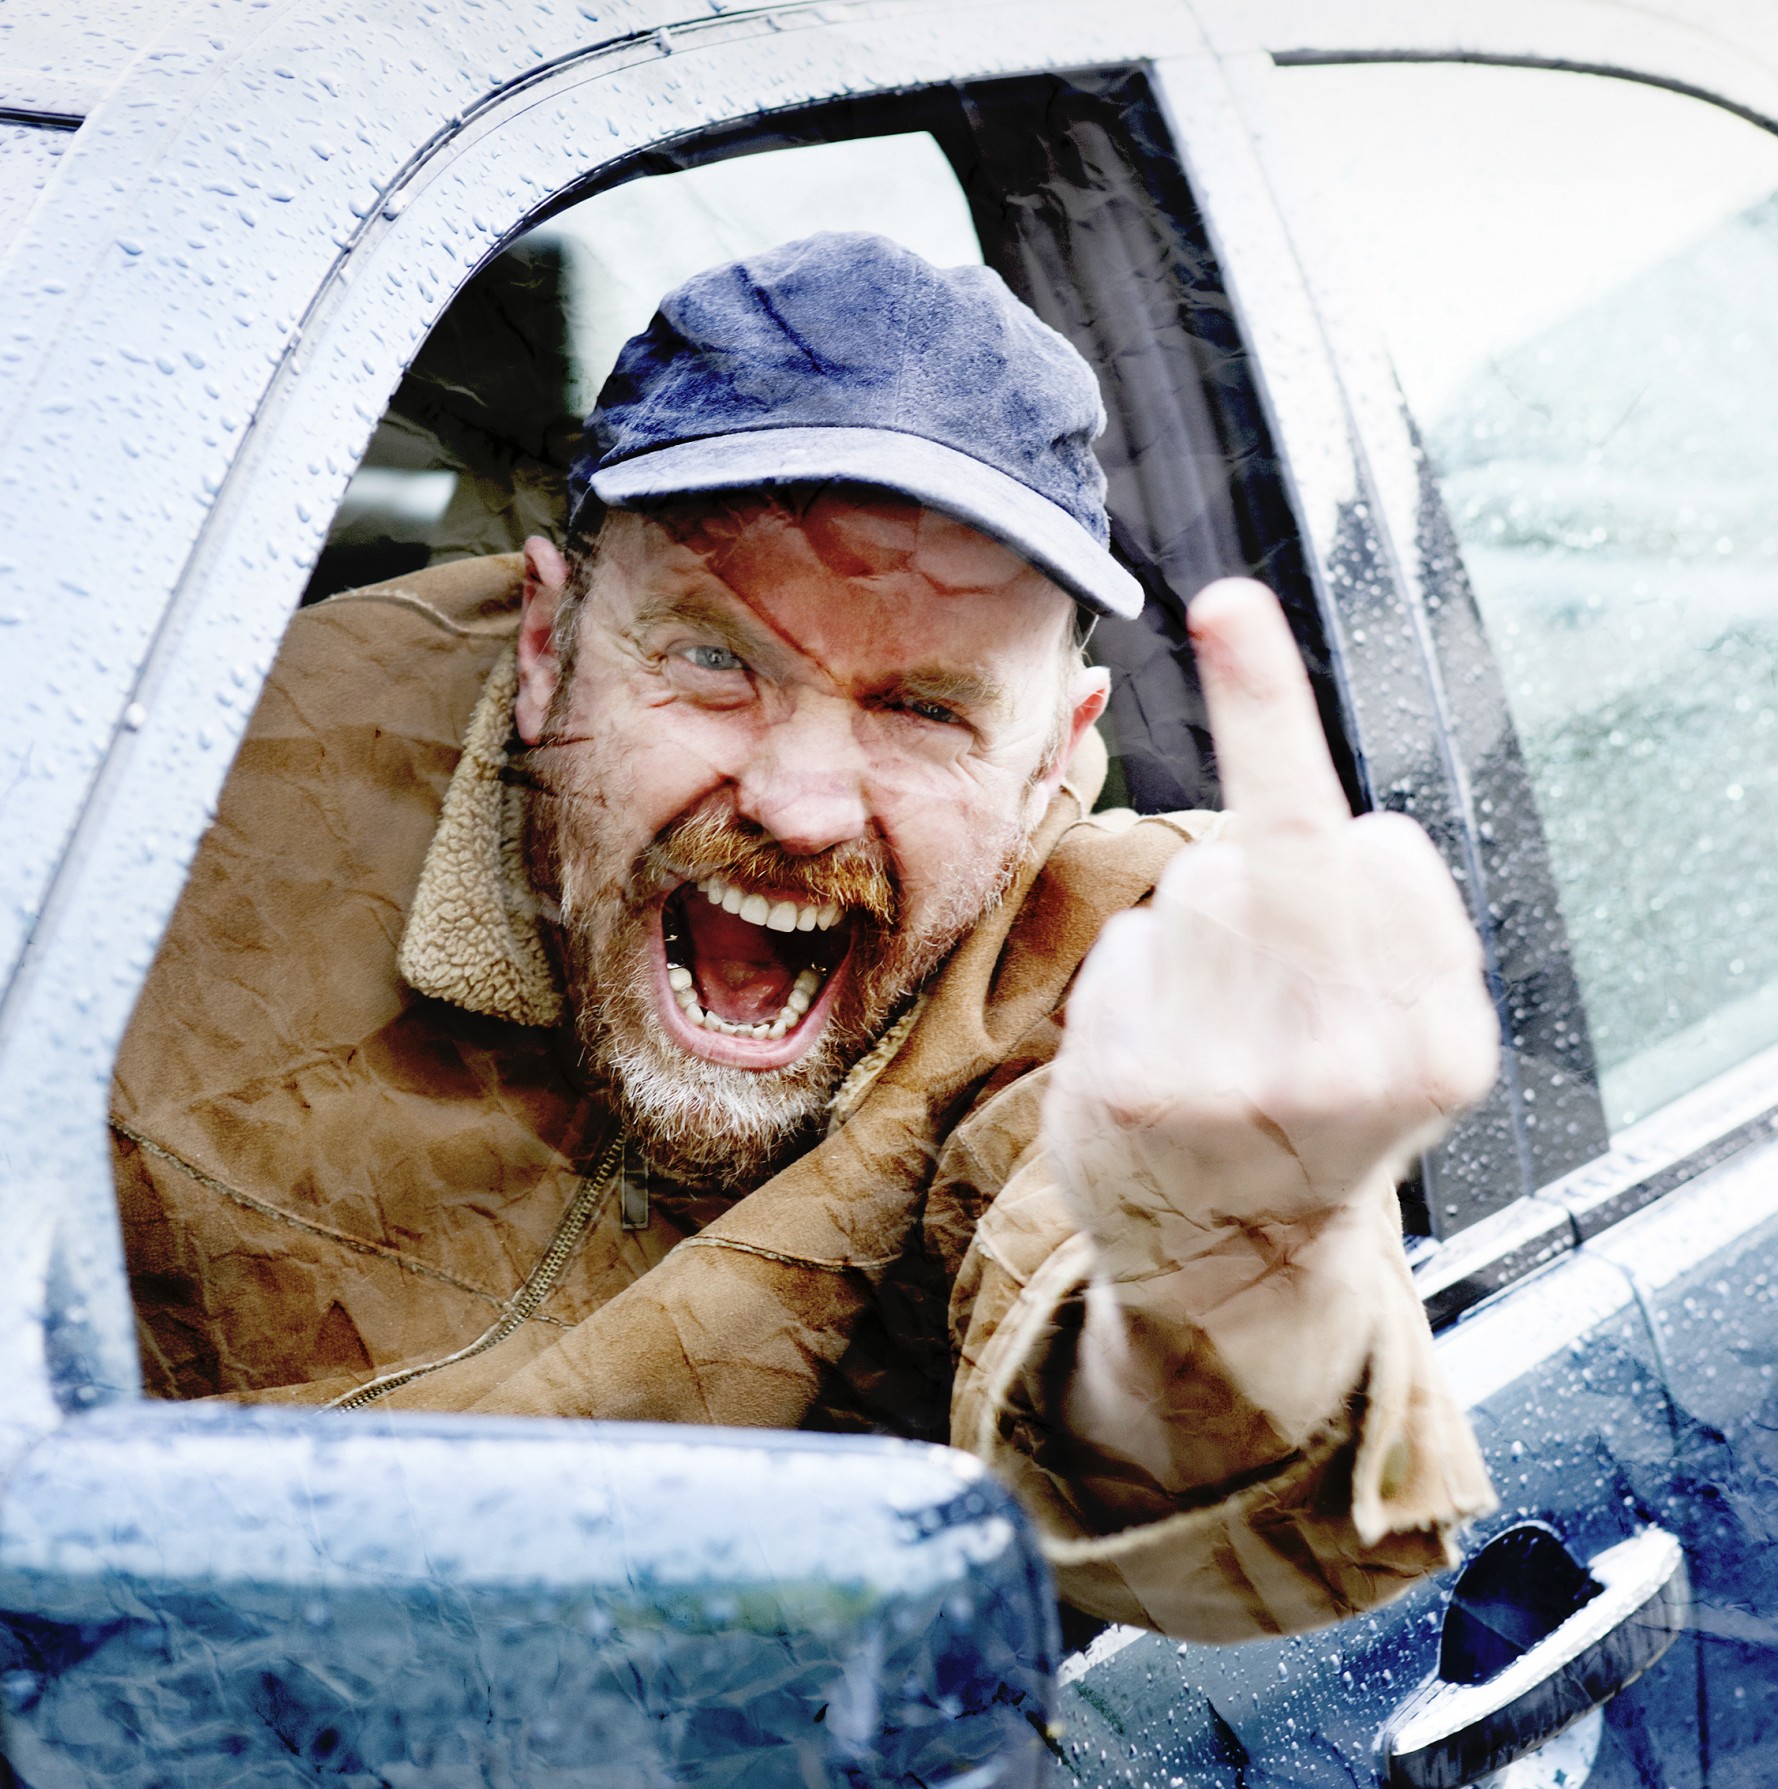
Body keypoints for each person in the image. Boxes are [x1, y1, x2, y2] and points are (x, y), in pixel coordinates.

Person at [112, 233, 1498, 1638]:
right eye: (715, 660)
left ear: (1048, 764)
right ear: (545, 644)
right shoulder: (184, 750)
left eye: (926, 710)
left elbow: (1208, 1530)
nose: (798, 802)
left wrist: (1226, 1279)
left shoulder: (1114, 975)